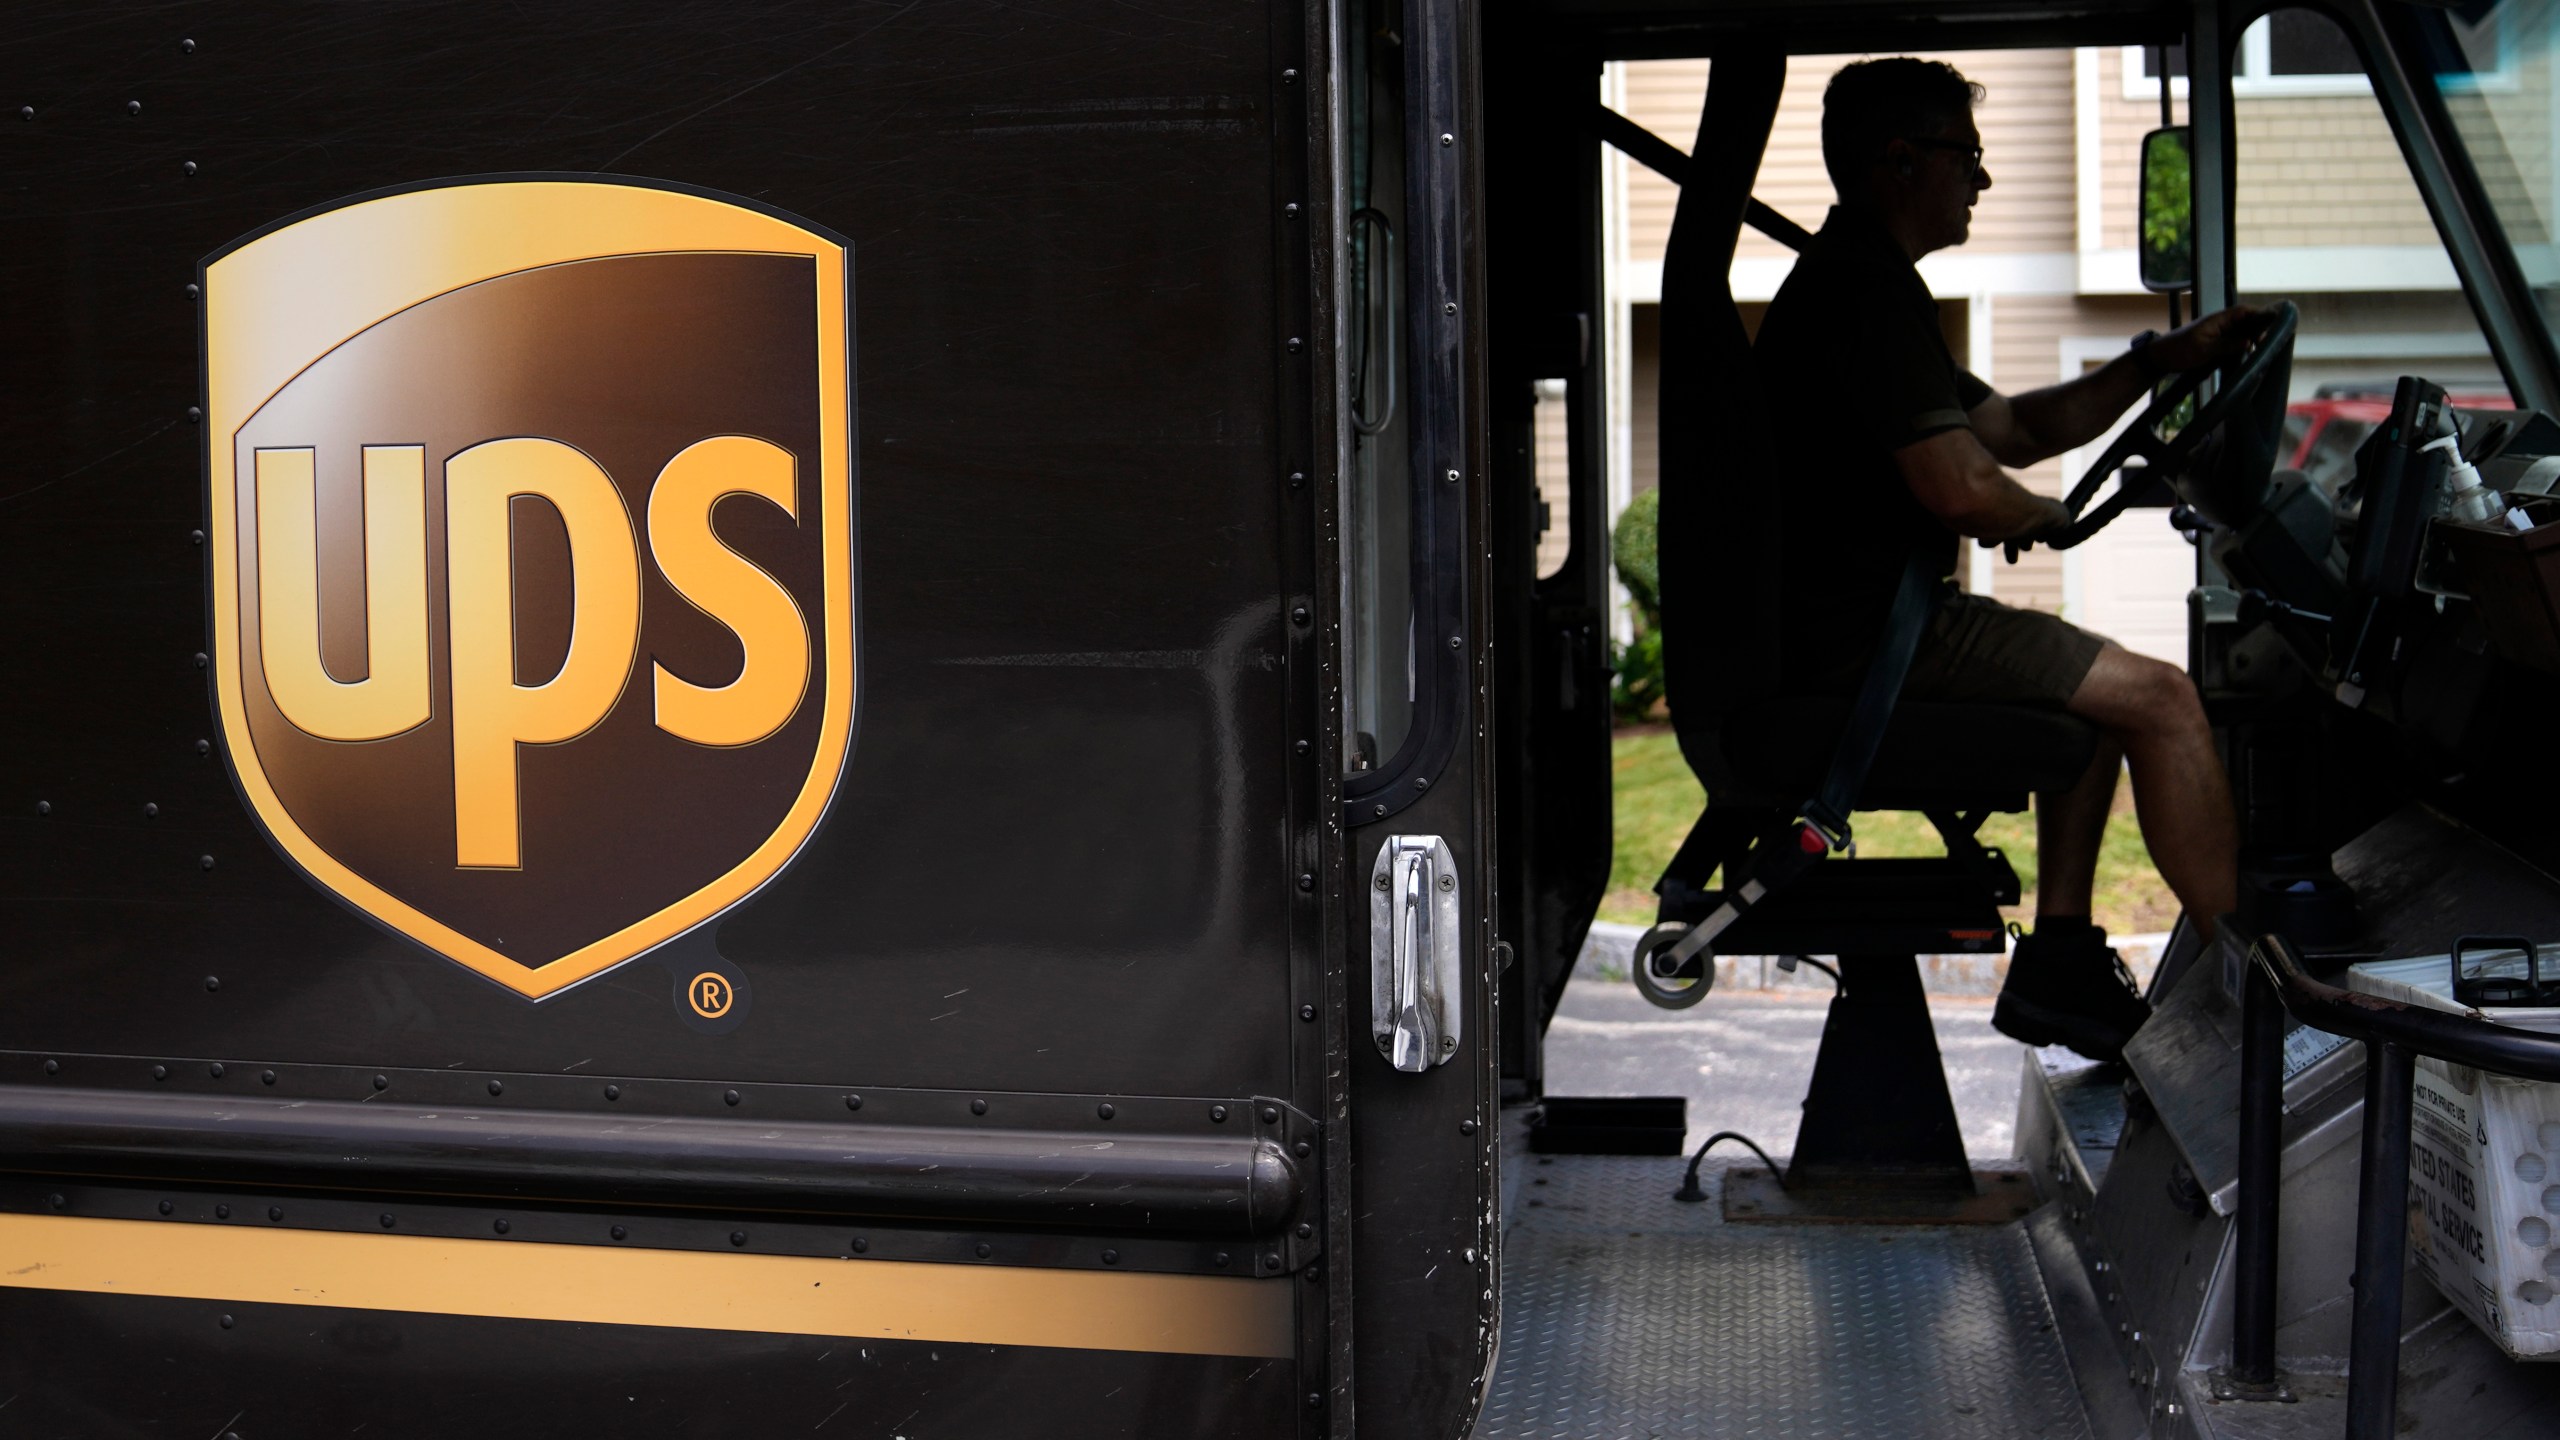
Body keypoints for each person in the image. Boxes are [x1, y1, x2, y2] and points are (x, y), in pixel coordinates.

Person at [1752, 57, 2264, 1063]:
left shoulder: (1865, 287)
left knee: (2103, 699)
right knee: (2160, 697)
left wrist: (2157, 364)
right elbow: (1963, 484)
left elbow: (2013, 428)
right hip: (1873, 647)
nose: (1980, 181)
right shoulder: (1864, 293)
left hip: (1862, 632)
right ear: (1902, 162)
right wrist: (2046, 518)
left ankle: (2061, 959)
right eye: (1967, 158)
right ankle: (2261, 990)